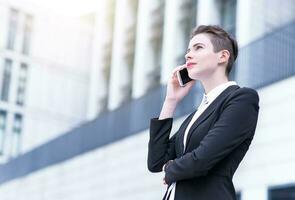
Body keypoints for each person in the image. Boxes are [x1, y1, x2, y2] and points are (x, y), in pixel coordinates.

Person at [147, 25, 260, 200]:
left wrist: (170, 169)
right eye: (188, 50)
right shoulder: (196, 115)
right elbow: (156, 162)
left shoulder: (242, 99)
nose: (188, 55)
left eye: (198, 47)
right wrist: (171, 101)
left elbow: (201, 160)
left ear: (222, 56)